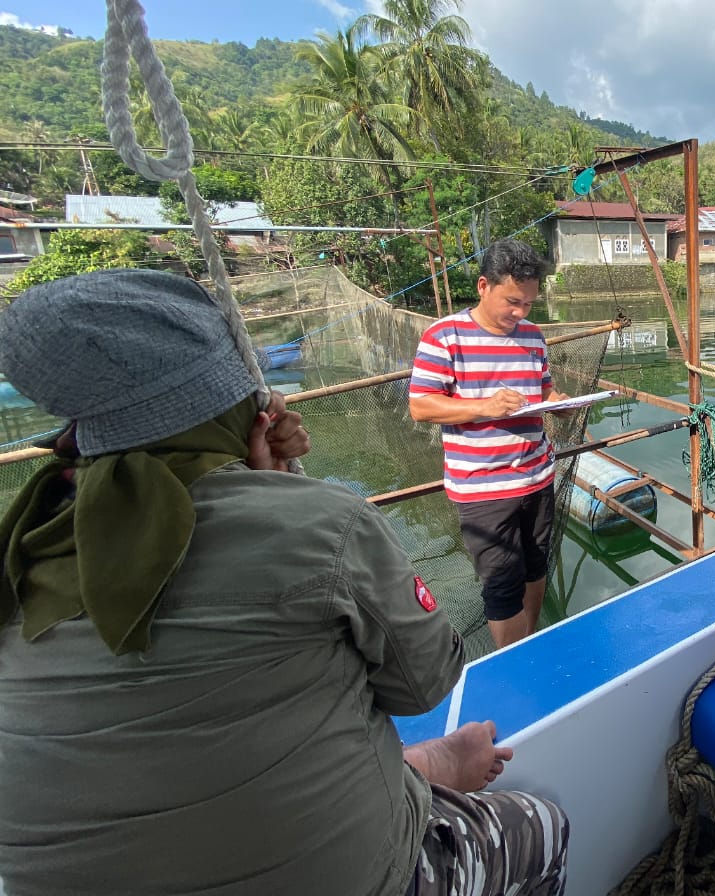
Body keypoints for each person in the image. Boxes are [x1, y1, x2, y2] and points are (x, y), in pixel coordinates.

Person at [0, 269, 568, 896]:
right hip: (354, 874)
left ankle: (437, 763)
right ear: (246, 414)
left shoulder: (25, 543)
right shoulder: (324, 523)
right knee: (542, 823)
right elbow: (426, 682)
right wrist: (285, 491)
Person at [409, 239, 568, 649]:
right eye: (512, 302)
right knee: (501, 583)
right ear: (483, 286)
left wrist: (559, 404)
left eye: (529, 304)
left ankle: (528, 645)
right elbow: (421, 406)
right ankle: (513, 664)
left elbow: (544, 390)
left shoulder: (533, 337)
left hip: (537, 476)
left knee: (536, 567)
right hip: (483, 489)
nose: (519, 313)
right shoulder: (444, 336)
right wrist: (485, 407)